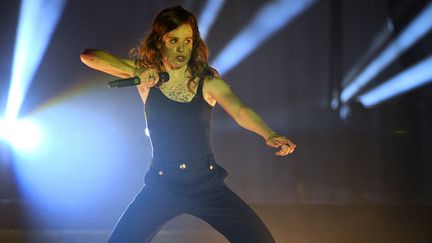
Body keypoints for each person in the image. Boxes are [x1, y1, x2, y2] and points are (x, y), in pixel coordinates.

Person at [80, 5, 296, 243]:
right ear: (160, 41)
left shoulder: (208, 82)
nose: (181, 48)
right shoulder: (147, 77)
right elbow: (89, 56)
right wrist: (136, 72)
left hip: (206, 184)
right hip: (161, 184)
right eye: (173, 40)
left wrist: (269, 133)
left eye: (188, 40)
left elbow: (239, 110)